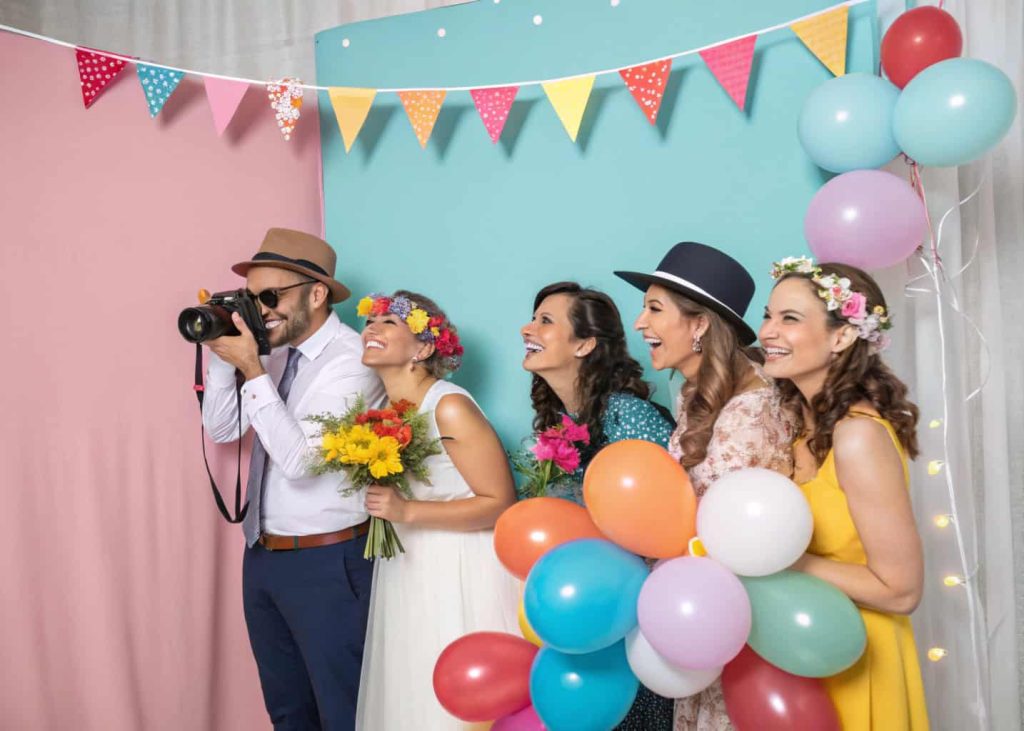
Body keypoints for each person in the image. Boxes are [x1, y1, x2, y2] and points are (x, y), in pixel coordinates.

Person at [201, 228, 386, 730]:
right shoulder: (274, 355)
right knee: (287, 712)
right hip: (263, 558)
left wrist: (251, 370)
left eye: (270, 297)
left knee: (343, 709)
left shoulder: (353, 361)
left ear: (317, 293)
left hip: (328, 560)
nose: (261, 313)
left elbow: (302, 461)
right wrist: (224, 361)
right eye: (251, 299)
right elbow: (222, 428)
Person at [615, 242, 794, 731]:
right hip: (699, 621)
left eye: (654, 309)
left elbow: (728, 536)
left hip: (738, 626)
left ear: (699, 325)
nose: (639, 323)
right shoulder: (698, 392)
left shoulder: (750, 410)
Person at [760, 256, 928, 729]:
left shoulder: (858, 437)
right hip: (806, 655)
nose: (769, 331)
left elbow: (902, 590)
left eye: (789, 319)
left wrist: (781, 561)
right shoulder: (799, 432)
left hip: (860, 659)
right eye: (768, 315)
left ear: (842, 335)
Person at [353, 291, 520, 730]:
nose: (371, 328)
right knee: (412, 691)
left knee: (457, 698)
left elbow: (500, 503)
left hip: (458, 571)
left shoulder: (449, 406)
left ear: (423, 348)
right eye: (371, 321)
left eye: (388, 322)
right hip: (407, 568)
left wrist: (406, 511)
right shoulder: (380, 414)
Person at [520, 281, 675, 729]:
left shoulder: (628, 415)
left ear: (585, 343)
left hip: (635, 621)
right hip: (588, 619)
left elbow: (664, 530)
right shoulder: (561, 425)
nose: (527, 328)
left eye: (546, 321)